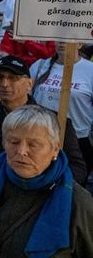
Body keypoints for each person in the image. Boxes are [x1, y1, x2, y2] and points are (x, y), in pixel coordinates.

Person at [0, 105, 93, 257]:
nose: (21, 151)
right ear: (3, 143)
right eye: (14, 142)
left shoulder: (77, 202)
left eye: (33, 144)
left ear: (55, 149)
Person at [0, 55, 88, 194]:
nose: (5, 83)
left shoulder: (55, 121)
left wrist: (50, 186)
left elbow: (77, 168)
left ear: (29, 83)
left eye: (13, 77)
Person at [31, 41, 93, 176]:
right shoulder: (40, 66)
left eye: (69, 39)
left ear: (80, 44)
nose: (63, 43)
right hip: (40, 136)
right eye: (59, 38)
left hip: (78, 140)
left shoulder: (90, 70)